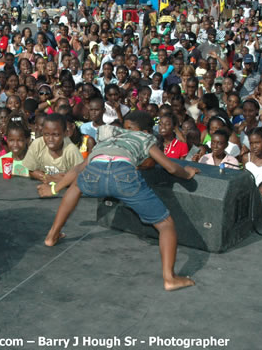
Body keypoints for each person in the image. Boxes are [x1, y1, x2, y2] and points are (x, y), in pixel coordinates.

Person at [38, 111, 198, 291]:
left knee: (76, 186)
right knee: (166, 224)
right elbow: (170, 167)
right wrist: (187, 173)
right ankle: (170, 278)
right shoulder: (145, 138)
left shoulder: (109, 138)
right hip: (123, 176)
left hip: (95, 172)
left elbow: (79, 168)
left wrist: (54, 189)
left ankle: (52, 236)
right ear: (147, 131)